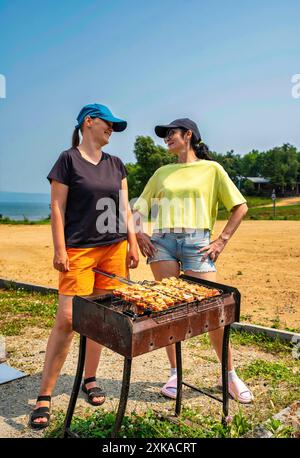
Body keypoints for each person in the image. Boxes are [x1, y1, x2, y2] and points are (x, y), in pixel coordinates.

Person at [29, 103, 139, 429]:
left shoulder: (116, 164)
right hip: (79, 250)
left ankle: (89, 378)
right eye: (108, 123)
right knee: (66, 319)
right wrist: (59, 249)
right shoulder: (68, 160)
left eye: (116, 126)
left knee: (103, 319)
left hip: (114, 248)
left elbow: (125, 208)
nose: (112, 130)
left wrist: (132, 243)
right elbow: (57, 207)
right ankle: (45, 395)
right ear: (88, 122)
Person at [133, 118, 254, 403]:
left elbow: (240, 207)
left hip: (198, 243)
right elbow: (137, 208)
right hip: (162, 243)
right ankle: (175, 374)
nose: (166, 139)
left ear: (188, 135)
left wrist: (221, 240)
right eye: (165, 135)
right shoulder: (162, 171)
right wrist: (139, 235)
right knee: (168, 312)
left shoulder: (212, 169)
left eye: (171, 133)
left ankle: (230, 376)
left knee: (214, 313)